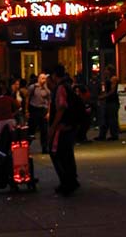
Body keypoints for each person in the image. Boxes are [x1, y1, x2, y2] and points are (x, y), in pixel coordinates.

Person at [48, 64, 79, 196]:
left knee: (58, 154)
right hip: (69, 126)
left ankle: (66, 182)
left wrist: (53, 126)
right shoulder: (68, 85)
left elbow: (61, 107)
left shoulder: (61, 88)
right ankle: (71, 180)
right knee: (67, 154)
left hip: (62, 127)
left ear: (55, 75)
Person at [94, 64, 119, 141]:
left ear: (110, 71)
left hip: (112, 101)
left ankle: (114, 135)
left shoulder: (114, 78)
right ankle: (102, 135)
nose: (105, 72)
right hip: (109, 101)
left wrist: (103, 97)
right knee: (106, 118)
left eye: (106, 70)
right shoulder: (108, 79)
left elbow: (112, 91)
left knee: (112, 119)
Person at [27, 72, 51, 153]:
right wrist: (27, 110)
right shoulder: (33, 87)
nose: (44, 80)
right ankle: (26, 146)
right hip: (34, 109)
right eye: (42, 78)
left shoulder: (46, 89)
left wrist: (48, 112)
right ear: (38, 79)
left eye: (45, 78)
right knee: (31, 129)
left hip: (43, 110)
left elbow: (49, 101)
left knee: (44, 130)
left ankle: (45, 147)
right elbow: (28, 98)